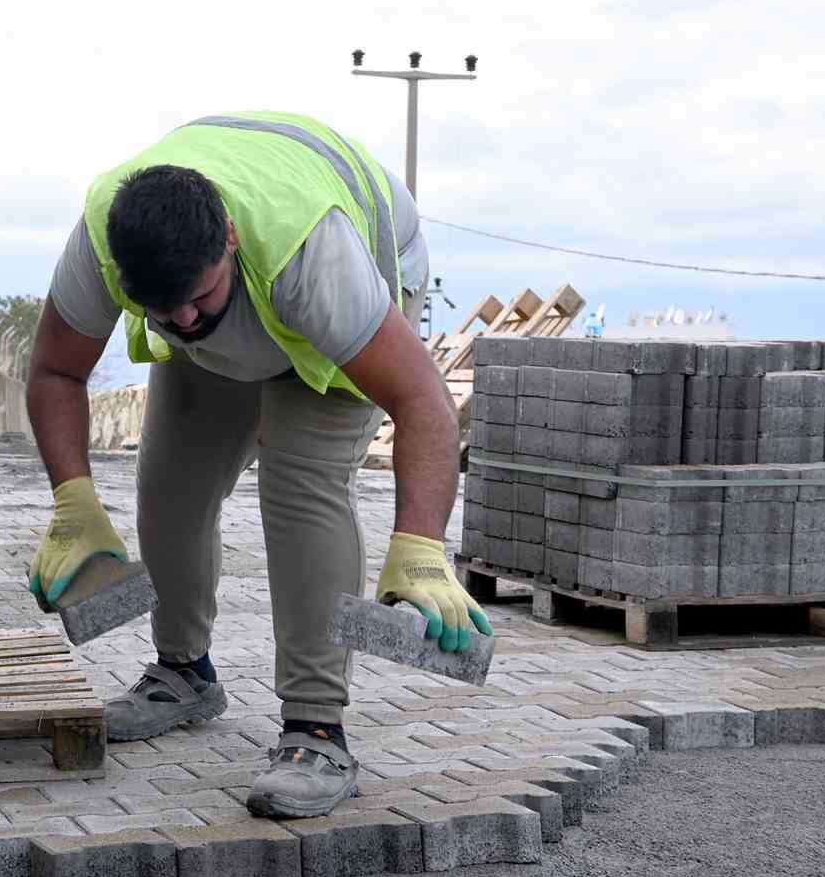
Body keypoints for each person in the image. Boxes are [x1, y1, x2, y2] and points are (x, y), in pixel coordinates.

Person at [25, 112, 491, 819]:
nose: (182, 322)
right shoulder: (102, 241)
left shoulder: (312, 258)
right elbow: (56, 371)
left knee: (298, 483)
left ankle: (316, 730)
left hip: (355, 257)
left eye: (197, 299)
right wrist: (73, 504)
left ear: (230, 241)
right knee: (172, 483)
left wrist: (421, 546)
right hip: (253, 281)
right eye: (162, 310)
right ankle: (184, 675)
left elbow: (422, 397)